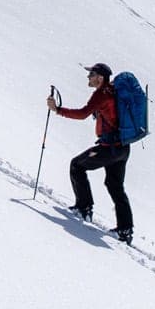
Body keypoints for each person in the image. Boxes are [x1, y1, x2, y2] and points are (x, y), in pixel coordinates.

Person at [49, 62, 133, 245]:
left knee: (77, 165)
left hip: (109, 148)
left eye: (91, 74)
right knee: (115, 185)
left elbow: (82, 114)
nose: (88, 77)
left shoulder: (101, 94)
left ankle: (84, 208)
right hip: (123, 148)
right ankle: (125, 230)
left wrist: (57, 110)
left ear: (100, 78)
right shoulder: (114, 91)